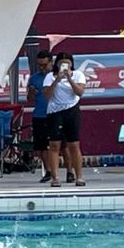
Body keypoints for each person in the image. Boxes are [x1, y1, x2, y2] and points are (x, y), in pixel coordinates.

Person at [44, 51, 86, 187]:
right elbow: (47, 96)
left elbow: (79, 92)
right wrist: (57, 80)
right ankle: (55, 177)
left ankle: (79, 176)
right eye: (62, 64)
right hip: (55, 112)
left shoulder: (78, 75)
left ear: (71, 64)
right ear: (57, 64)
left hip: (71, 110)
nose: (65, 66)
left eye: (67, 63)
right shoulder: (50, 77)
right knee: (54, 145)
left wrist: (69, 79)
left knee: (73, 145)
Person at [27, 49, 55, 184]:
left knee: (62, 145)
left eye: (45, 65)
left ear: (51, 63)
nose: (42, 68)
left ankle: (69, 171)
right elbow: (30, 99)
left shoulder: (57, 77)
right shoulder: (34, 78)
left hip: (55, 114)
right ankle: (48, 170)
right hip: (39, 114)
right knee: (42, 147)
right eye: (40, 65)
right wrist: (32, 92)